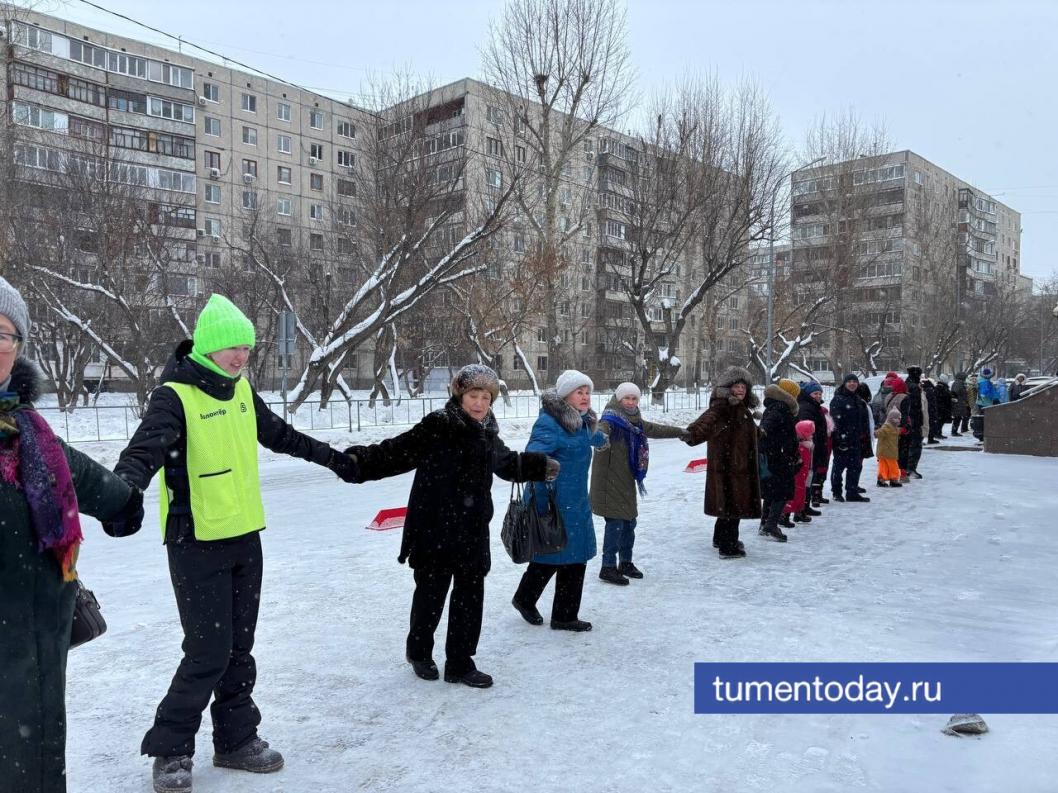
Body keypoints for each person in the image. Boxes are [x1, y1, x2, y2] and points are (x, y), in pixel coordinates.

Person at [113, 294, 359, 793]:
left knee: (240, 648)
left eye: (247, 347)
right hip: (195, 539)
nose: (242, 356)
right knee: (207, 650)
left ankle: (236, 740)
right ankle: (171, 750)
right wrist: (121, 493)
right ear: (208, 347)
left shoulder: (242, 391)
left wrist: (336, 460)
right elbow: (142, 453)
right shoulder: (175, 396)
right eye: (233, 348)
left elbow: (282, 436)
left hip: (245, 536)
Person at [0, 276, 144, 793]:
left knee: (36, 760)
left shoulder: (29, 432)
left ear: (17, 349)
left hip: (40, 645)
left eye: (2, 334)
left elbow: (78, 474)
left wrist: (125, 501)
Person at [345, 365, 554, 687]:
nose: (480, 403)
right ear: (459, 395)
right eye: (474, 395)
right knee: (430, 595)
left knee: (470, 599)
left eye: (486, 397)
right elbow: (397, 452)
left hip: (472, 530)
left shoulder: (487, 431)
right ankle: (419, 652)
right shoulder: (439, 425)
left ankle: (460, 662)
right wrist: (360, 461)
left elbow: (506, 463)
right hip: (434, 529)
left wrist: (537, 466)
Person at [512, 370, 607, 631]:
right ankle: (549, 609)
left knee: (569, 556)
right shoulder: (550, 423)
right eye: (580, 392)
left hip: (576, 502)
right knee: (557, 554)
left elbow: (587, 437)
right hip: (553, 501)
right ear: (566, 396)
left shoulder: (583, 421)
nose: (586, 396)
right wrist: (543, 494)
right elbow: (533, 458)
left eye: (587, 391)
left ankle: (531, 600)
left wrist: (603, 438)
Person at [589, 382, 686, 585]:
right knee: (615, 523)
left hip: (625, 479)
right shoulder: (611, 419)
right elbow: (600, 431)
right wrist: (598, 437)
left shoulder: (635, 422)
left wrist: (680, 432)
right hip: (608, 481)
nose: (631, 402)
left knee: (629, 522)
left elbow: (655, 429)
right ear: (618, 399)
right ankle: (608, 567)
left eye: (634, 399)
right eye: (627, 398)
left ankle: (625, 562)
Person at [684, 366, 761, 559]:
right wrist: (691, 433)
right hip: (729, 466)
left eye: (744, 386)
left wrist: (762, 434)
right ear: (728, 387)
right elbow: (707, 422)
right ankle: (728, 546)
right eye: (737, 386)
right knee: (732, 507)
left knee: (727, 506)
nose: (741, 390)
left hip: (737, 466)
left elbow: (748, 431)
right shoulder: (724, 406)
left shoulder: (740, 408)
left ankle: (720, 538)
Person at [758, 379, 801, 542]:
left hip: (774, 455)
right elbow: (767, 430)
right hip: (778, 456)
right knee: (782, 491)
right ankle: (771, 524)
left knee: (772, 491)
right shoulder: (781, 408)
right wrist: (783, 450)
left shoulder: (775, 407)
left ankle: (765, 523)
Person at [829, 374, 871, 502]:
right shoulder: (838, 399)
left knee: (855, 467)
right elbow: (835, 421)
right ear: (845, 383)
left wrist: (864, 435)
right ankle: (836, 492)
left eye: (855, 381)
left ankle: (852, 492)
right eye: (849, 381)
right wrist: (841, 438)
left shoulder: (858, 399)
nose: (852, 384)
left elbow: (863, 420)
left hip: (856, 439)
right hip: (842, 440)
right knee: (839, 467)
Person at [796, 381, 828, 512]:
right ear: (809, 394)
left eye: (820, 393)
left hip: (815, 446)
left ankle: (805, 505)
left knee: (810, 477)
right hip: (809, 447)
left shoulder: (814, 406)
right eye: (815, 393)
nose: (818, 396)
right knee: (807, 478)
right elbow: (806, 428)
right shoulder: (807, 407)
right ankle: (802, 507)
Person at [785, 420, 817, 524]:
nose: (812, 435)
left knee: (801, 494)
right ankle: (786, 514)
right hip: (799, 475)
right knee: (795, 494)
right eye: (810, 433)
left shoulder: (807, 445)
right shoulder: (801, 447)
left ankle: (798, 512)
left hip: (805, 474)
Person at [903, 366, 929, 479]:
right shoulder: (914, 388)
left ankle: (906, 468)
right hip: (914, 421)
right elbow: (917, 407)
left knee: (907, 446)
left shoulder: (906, 385)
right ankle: (911, 468)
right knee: (915, 445)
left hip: (908, 421)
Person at [874, 409, 904, 488]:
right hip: (888, 451)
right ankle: (893, 479)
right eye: (898, 418)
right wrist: (874, 433)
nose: (899, 420)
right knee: (893, 466)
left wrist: (900, 430)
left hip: (886, 451)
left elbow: (894, 432)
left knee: (883, 466)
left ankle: (881, 480)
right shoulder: (887, 427)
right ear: (892, 418)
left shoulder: (892, 427)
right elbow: (879, 433)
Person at [949, 372, 971, 436]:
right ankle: (954, 431)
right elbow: (955, 392)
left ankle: (954, 431)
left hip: (960, 403)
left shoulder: (959, 383)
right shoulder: (958, 384)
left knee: (958, 417)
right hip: (959, 403)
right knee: (957, 417)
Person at [922, 377, 941, 444]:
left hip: (927, 409)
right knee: (931, 423)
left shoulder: (924, 389)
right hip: (930, 409)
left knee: (927, 424)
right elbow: (931, 401)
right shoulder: (930, 390)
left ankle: (929, 438)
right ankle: (930, 438)